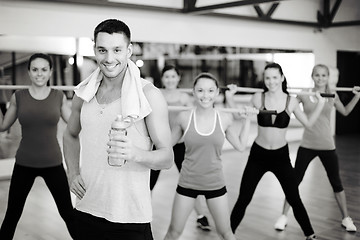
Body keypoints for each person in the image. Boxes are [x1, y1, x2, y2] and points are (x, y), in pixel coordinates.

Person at [63, 19, 173, 240]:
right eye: (102, 50)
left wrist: (135, 154)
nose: (109, 58)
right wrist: (72, 172)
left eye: (117, 50)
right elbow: (70, 134)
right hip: (86, 209)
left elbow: (167, 157)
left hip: (130, 217)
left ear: (129, 50)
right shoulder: (83, 93)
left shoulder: (148, 95)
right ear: (94, 49)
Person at [230, 62, 326, 240]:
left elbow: (309, 123)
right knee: (244, 198)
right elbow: (238, 115)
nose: (271, 81)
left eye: (275, 77)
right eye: (267, 77)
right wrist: (230, 97)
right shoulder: (258, 98)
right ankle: (227, 234)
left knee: (294, 198)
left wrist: (320, 104)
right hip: (258, 155)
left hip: (280, 156)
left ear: (282, 78)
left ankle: (310, 235)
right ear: (264, 79)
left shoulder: (291, 101)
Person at [163, 73, 258, 240]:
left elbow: (241, 146)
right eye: (200, 90)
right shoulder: (184, 117)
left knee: (226, 232)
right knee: (173, 231)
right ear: (193, 92)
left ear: (216, 93)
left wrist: (247, 120)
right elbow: (166, 145)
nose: (205, 95)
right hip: (188, 182)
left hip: (214, 182)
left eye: (210, 91)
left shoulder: (224, 118)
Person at [274, 64, 360, 232]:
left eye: (323, 75)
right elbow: (288, 105)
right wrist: (279, 91)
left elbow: (346, 112)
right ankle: (283, 216)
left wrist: (357, 96)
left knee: (336, 183)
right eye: (317, 75)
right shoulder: (305, 94)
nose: (320, 78)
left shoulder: (332, 95)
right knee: (294, 182)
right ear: (312, 77)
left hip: (327, 145)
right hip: (307, 144)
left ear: (328, 77)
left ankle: (346, 218)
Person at [0, 53, 74, 239]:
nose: (39, 74)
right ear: (29, 72)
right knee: (12, 214)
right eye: (35, 70)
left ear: (50, 72)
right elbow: (3, 126)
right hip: (24, 163)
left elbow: (74, 125)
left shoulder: (58, 96)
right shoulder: (19, 97)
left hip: (53, 163)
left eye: (43, 70)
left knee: (68, 213)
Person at [150, 65, 211, 231]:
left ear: (178, 78)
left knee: (190, 181)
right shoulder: (156, 95)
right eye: (167, 77)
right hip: (159, 144)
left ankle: (201, 215)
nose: (170, 80)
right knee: (149, 182)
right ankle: (144, 214)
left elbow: (192, 120)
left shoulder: (184, 98)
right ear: (162, 79)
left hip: (179, 145)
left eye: (173, 76)